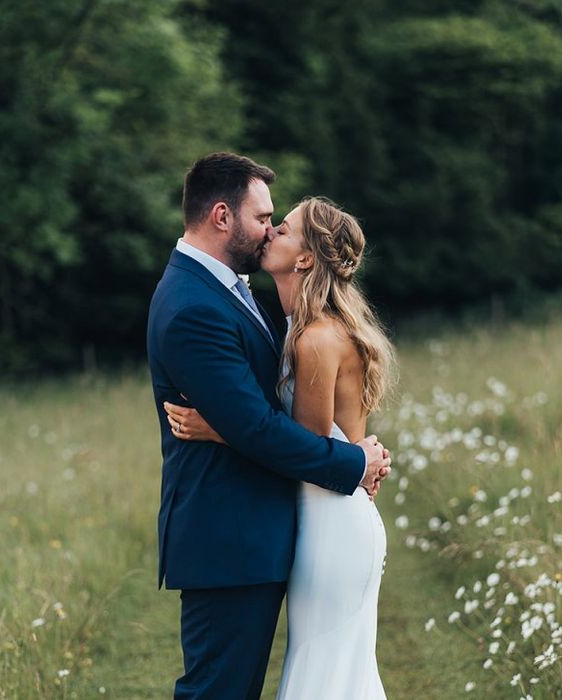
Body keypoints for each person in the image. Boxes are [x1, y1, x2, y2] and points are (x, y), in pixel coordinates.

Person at [146, 153, 391, 700]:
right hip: (229, 541)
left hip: (276, 531)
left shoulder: (241, 294)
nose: (268, 231)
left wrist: (226, 427)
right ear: (221, 216)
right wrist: (356, 463)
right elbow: (258, 427)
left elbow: (258, 419)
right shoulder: (193, 305)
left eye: (279, 224)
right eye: (264, 218)